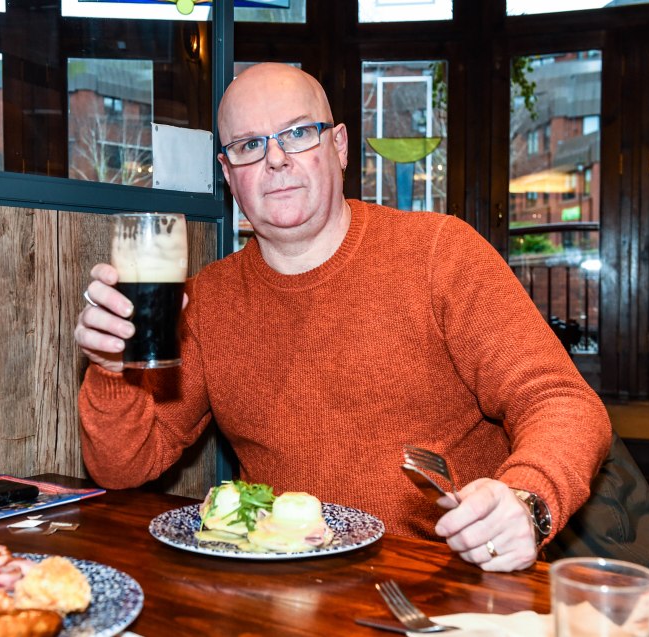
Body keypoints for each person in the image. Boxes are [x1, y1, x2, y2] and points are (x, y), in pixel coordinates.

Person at [74, 63, 611, 573]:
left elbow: (562, 401)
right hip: (277, 589)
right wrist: (108, 369)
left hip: (443, 581)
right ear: (229, 175)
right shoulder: (208, 300)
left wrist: (527, 498)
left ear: (340, 146)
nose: (275, 160)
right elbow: (123, 467)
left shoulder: (439, 253)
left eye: (298, 134)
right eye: (249, 146)